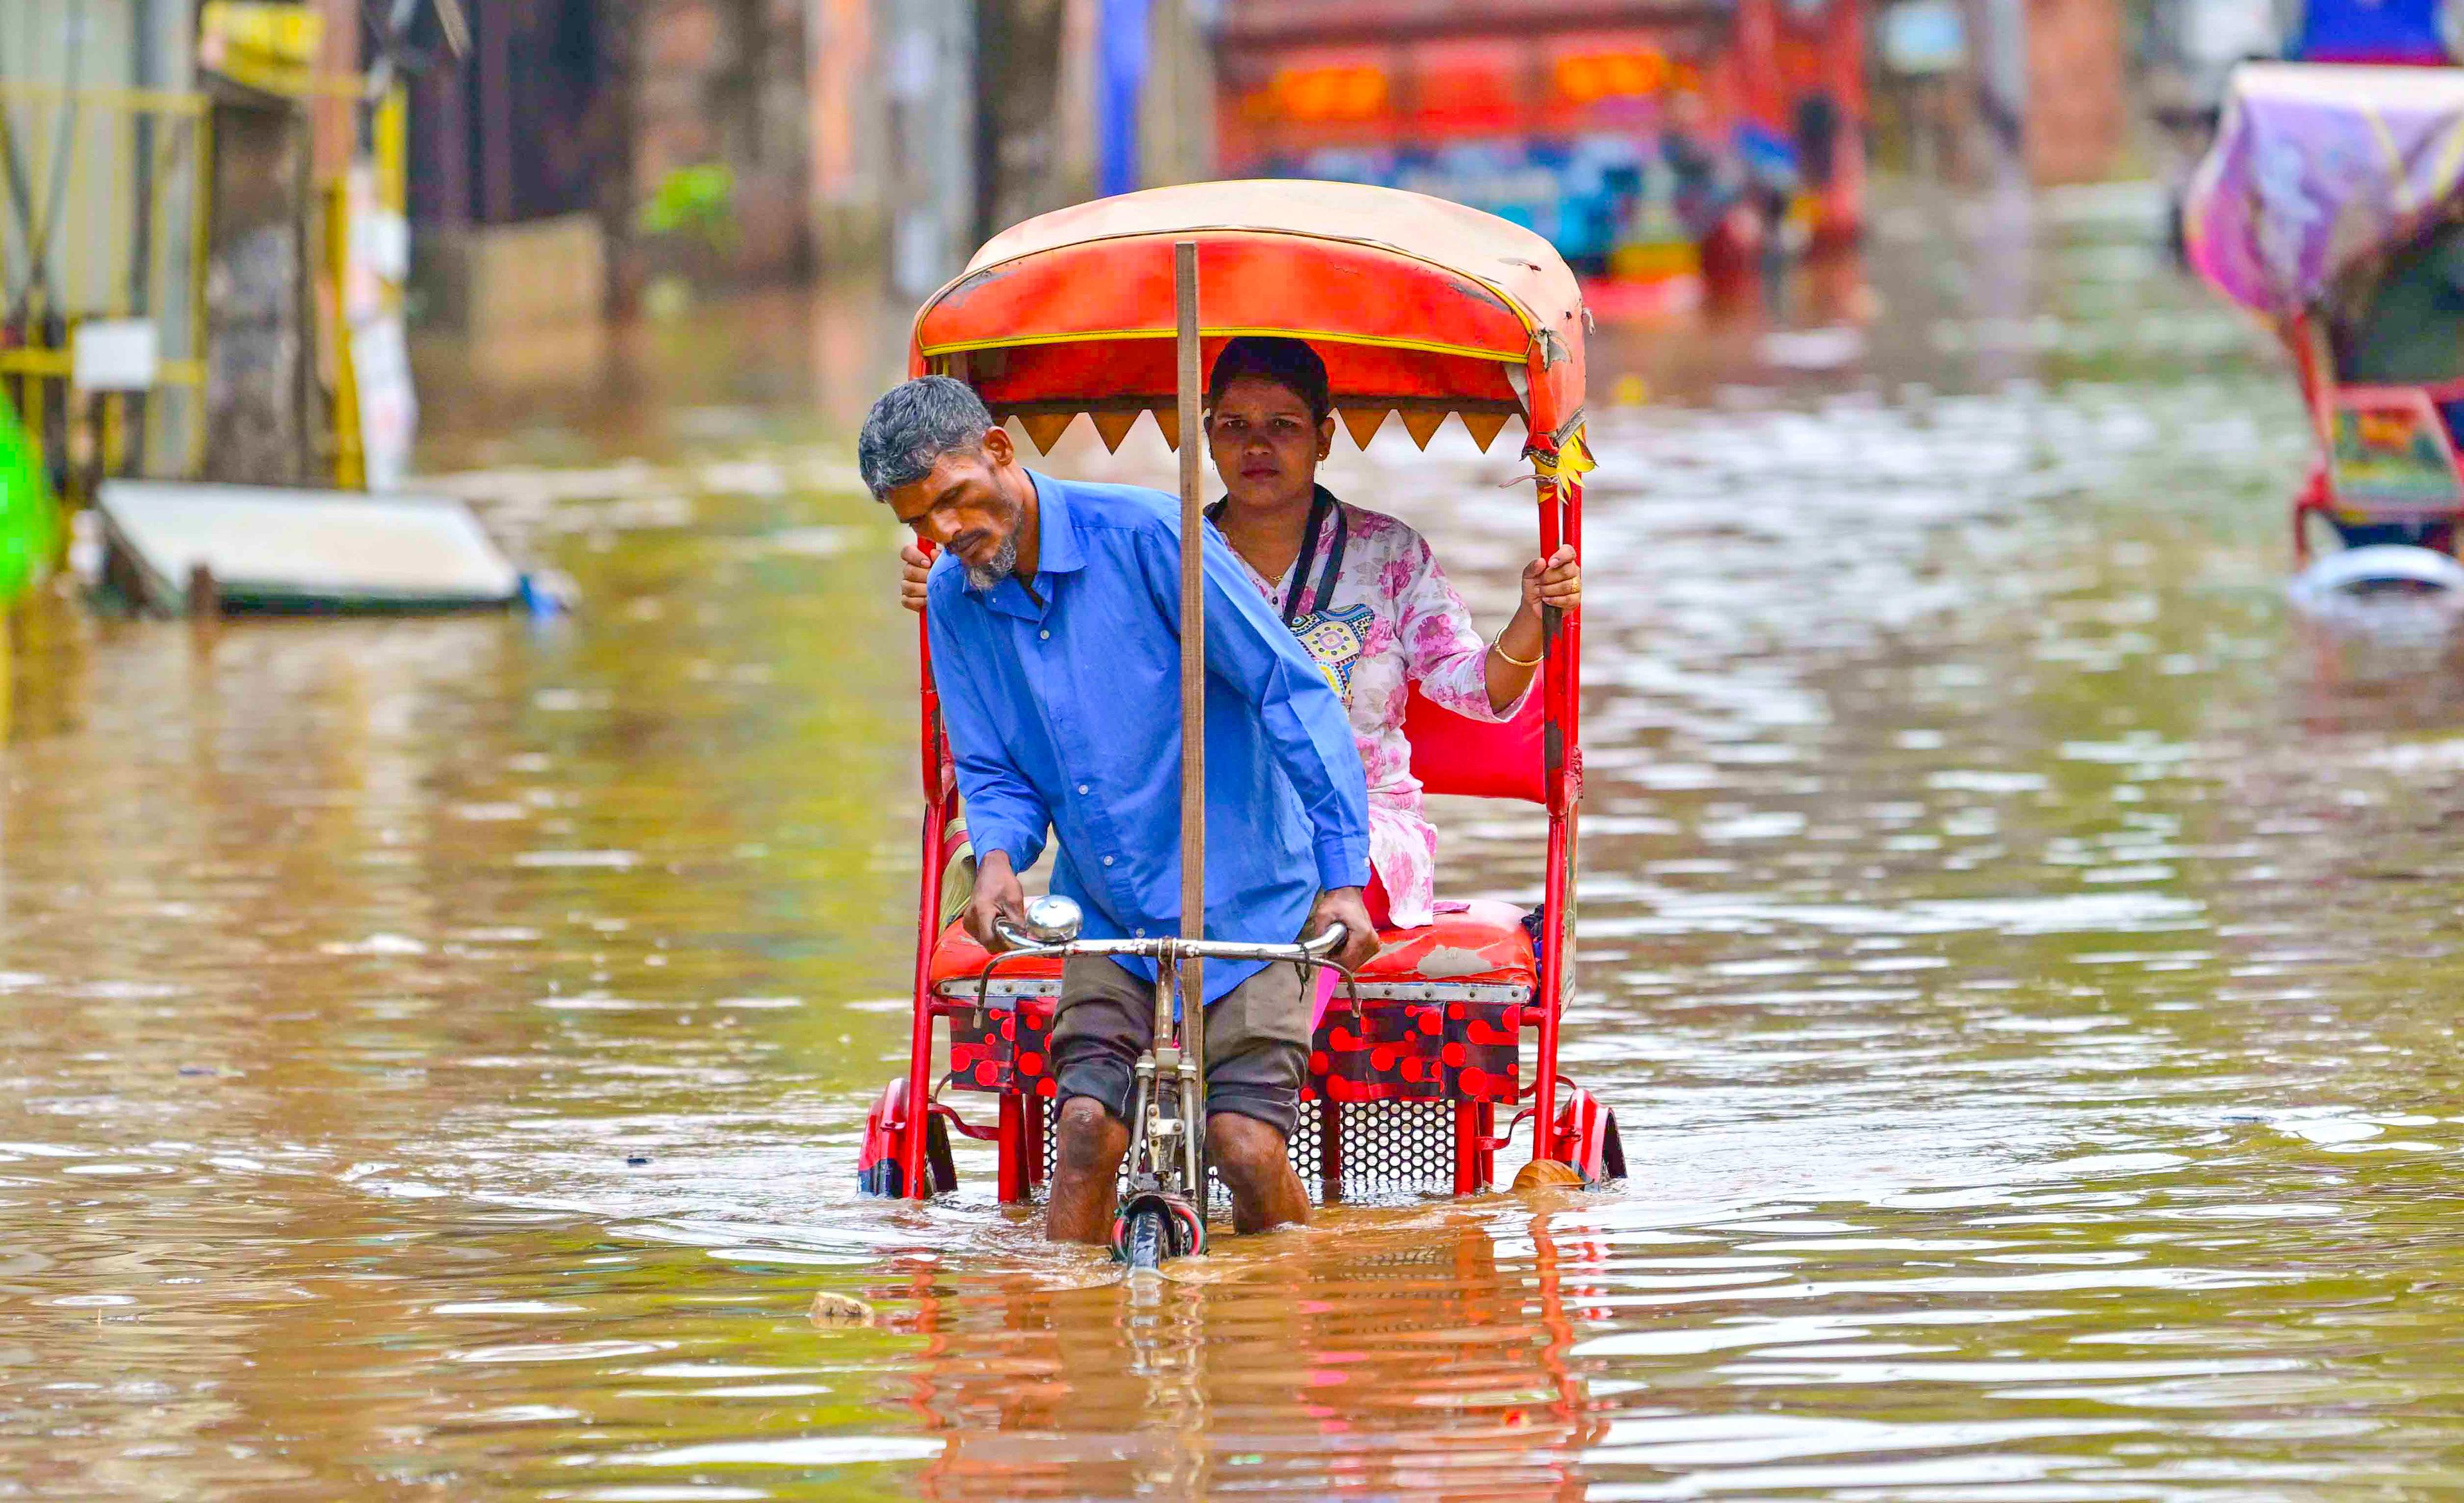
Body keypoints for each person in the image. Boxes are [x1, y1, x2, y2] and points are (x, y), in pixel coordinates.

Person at [861, 375, 1378, 1244]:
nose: (943, 535)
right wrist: (996, 864)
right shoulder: (955, 599)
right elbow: (992, 769)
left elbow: (1292, 694)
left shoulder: (1148, 536)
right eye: (918, 522)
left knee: (1245, 1148)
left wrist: (1343, 878)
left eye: (952, 500)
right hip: (1109, 906)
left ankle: (1288, 1326)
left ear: (998, 451)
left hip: (1250, 896)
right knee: (1086, 1135)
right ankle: (1070, 1359)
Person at [900, 336, 1580, 932]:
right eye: (1234, 425)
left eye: (1282, 424)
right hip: (1205, 825)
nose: (1257, 445)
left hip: (1360, 827)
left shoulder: (1389, 553)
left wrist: (1532, 615)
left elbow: (1476, 692)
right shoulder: (1165, 550)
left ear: (1323, 436)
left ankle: (1252, 1055)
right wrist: (967, 575)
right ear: (1208, 437)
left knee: (1284, 879)